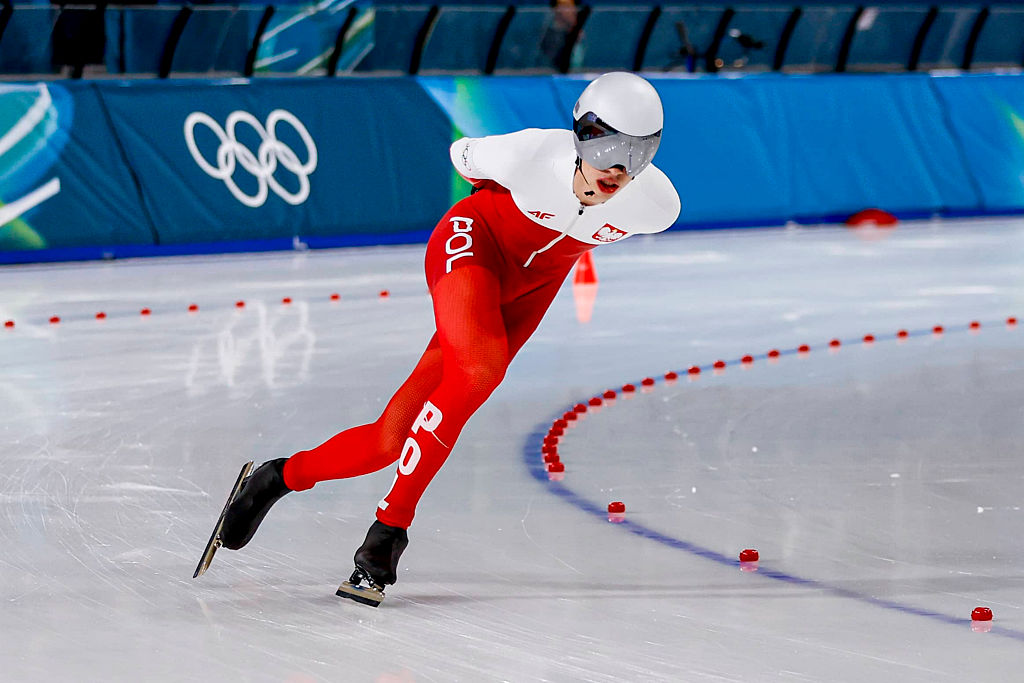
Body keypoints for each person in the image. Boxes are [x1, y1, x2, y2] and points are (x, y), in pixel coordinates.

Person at [198, 72, 681, 606]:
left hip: (528, 291)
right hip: (471, 246)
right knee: (480, 368)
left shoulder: (656, 207)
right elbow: (462, 154)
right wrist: (496, 193)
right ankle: (387, 534)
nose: (619, 167)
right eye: (608, 145)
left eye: (638, 153)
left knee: (388, 441)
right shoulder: (531, 154)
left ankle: (277, 476)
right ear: (580, 134)